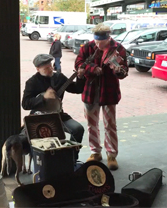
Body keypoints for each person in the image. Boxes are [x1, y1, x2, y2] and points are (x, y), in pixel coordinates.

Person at [75, 23, 128, 171]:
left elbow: (124, 71)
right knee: (92, 124)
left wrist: (118, 71)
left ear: (108, 38)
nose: (98, 45)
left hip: (109, 92)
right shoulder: (87, 47)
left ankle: (111, 154)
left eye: (102, 42)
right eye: (96, 41)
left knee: (110, 125)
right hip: (90, 92)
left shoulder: (118, 49)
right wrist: (93, 69)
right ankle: (95, 152)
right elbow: (78, 63)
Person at [22, 54, 85, 161]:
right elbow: (25, 104)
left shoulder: (59, 77)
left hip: (58, 115)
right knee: (38, 136)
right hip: (39, 118)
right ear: (38, 69)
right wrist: (43, 98)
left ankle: (72, 160)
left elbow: (77, 89)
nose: (50, 69)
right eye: (46, 68)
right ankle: (41, 164)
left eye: (50, 65)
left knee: (78, 129)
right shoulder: (32, 82)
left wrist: (80, 77)